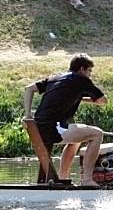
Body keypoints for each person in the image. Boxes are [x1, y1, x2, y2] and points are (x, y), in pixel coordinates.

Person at [22, 53, 107, 186]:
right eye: (89, 70)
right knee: (97, 134)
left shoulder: (55, 77)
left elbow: (28, 89)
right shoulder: (81, 79)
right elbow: (102, 100)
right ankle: (87, 180)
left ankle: (63, 178)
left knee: (75, 141)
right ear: (82, 69)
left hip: (40, 127)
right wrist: (84, 98)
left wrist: (28, 115)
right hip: (52, 128)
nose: (90, 74)